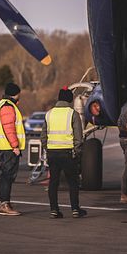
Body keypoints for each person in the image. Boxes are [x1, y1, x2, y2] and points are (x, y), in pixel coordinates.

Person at [41, 87, 86, 218]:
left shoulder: (49, 114)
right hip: (68, 153)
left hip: (52, 153)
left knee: (53, 182)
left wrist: (48, 149)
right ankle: (75, 209)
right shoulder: (73, 114)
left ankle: (54, 210)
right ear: (69, 99)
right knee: (73, 182)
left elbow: (43, 136)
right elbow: (78, 136)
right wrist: (77, 152)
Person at [0, 82, 26, 216]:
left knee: (6, 175)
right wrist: (15, 146)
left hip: (5, 146)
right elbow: (9, 128)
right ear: (15, 94)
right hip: (9, 148)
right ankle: (4, 204)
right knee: (7, 175)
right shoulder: (8, 106)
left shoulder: (3, 104)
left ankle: (3, 202)